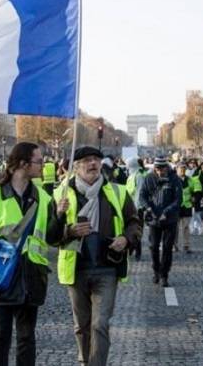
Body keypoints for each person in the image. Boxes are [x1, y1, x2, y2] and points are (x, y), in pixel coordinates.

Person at [0, 142, 63, 366]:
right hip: (1, 277)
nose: (44, 165)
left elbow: (51, 238)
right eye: (39, 161)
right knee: (0, 338)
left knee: (26, 339)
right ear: (23, 164)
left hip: (32, 276)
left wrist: (59, 215)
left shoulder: (44, 197)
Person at [54, 146, 141, 366]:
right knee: (81, 326)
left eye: (96, 160)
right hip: (76, 268)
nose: (93, 164)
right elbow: (50, 234)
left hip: (107, 267)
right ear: (75, 166)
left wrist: (127, 239)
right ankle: (85, 361)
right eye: (87, 160)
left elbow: (134, 222)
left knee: (100, 324)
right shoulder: (60, 195)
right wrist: (68, 230)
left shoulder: (118, 192)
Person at [138, 157, 182, 287]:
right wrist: (148, 208)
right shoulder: (149, 178)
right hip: (154, 218)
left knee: (167, 248)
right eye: (157, 169)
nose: (159, 172)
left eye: (162, 169)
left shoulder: (174, 179)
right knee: (153, 247)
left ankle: (164, 275)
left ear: (166, 167)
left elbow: (178, 200)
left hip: (170, 218)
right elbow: (142, 196)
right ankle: (156, 270)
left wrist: (166, 212)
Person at [125, 157, 146, 261]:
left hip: (137, 208)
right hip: (130, 207)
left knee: (137, 230)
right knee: (130, 229)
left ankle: (138, 252)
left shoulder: (139, 176)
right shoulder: (131, 176)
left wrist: (137, 208)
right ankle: (131, 249)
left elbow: (139, 193)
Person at [175, 163, 194, 253]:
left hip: (187, 206)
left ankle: (186, 245)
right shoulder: (173, 180)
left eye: (184, 169)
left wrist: (193, 198)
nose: (182, 170)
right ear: (177, 169)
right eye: (180, 169)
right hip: (176, 206)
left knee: (186, 227)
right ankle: (174, 245)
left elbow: (193, 190)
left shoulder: (189, 180)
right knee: (175, 228)